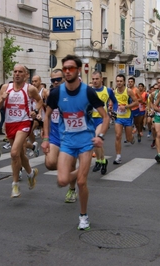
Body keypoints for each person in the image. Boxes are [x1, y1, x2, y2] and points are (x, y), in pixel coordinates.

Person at [42, 55, 109, 230]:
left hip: (86, 142)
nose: (67, 71)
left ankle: (83, 216)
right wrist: (46, 139)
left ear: (78, 70)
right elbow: (47, 115)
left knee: (80, 183)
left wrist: (100, 136)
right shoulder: (57, 93)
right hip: (67, 142)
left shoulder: (88, 92)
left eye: (71, 68)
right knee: (63, 180)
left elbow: (105, 117)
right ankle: (82, 171)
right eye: (65, 68)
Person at [0, 64, 43, 198]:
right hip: (10, 124)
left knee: (14, 152)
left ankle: (15, 185)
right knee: (20, 154)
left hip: (24, 122)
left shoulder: (30, 89)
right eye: (15, 71)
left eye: (20, 72)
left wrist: (35, 111)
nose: (17, 74)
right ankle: (31, 173)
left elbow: (39, 101)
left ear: (26, 75)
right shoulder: (5, 88)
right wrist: (2, 99)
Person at [43, 68, 78, 203]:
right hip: (55, 132)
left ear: (64, 78)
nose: (56, 82)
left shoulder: (73, 93)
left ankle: (72, 189)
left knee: (72, 164)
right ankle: (67, 167)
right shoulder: (49, 93)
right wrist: (45, 134)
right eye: (53, 80)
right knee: (50, 163)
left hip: (70, 133)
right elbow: (46, 113)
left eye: (58, 79)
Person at [91, 71, 116, 174]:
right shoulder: (89, 91)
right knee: (98, 143)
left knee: (96, 138)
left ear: (101, 79)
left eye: (97, 79)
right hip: (90, 119)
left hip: (102, 119)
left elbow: (115, 101)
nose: (95, 81)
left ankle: (98, 161)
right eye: (93, 79)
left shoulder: (108, 90)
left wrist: (114, 110)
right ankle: (103, 161)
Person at [113, 74, 139, 164]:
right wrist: (111, 107)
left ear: (124, 82)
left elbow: (136, 103)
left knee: (128, 138)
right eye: (117, 81)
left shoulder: (129, 91)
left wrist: (126, 106)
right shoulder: (114, 92)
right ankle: (118, 156)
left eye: (121, 81)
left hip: (128, 117)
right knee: (118, 136)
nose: (119, 83)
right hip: (118, 117)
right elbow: (111, 102)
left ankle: (131, 138)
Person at [149, 78, 160, 163]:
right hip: (158, 116)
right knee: (158, 134)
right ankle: (159, 154)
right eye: (158, 83)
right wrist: (153, 109)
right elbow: (151, 102)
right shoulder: (153, 94)